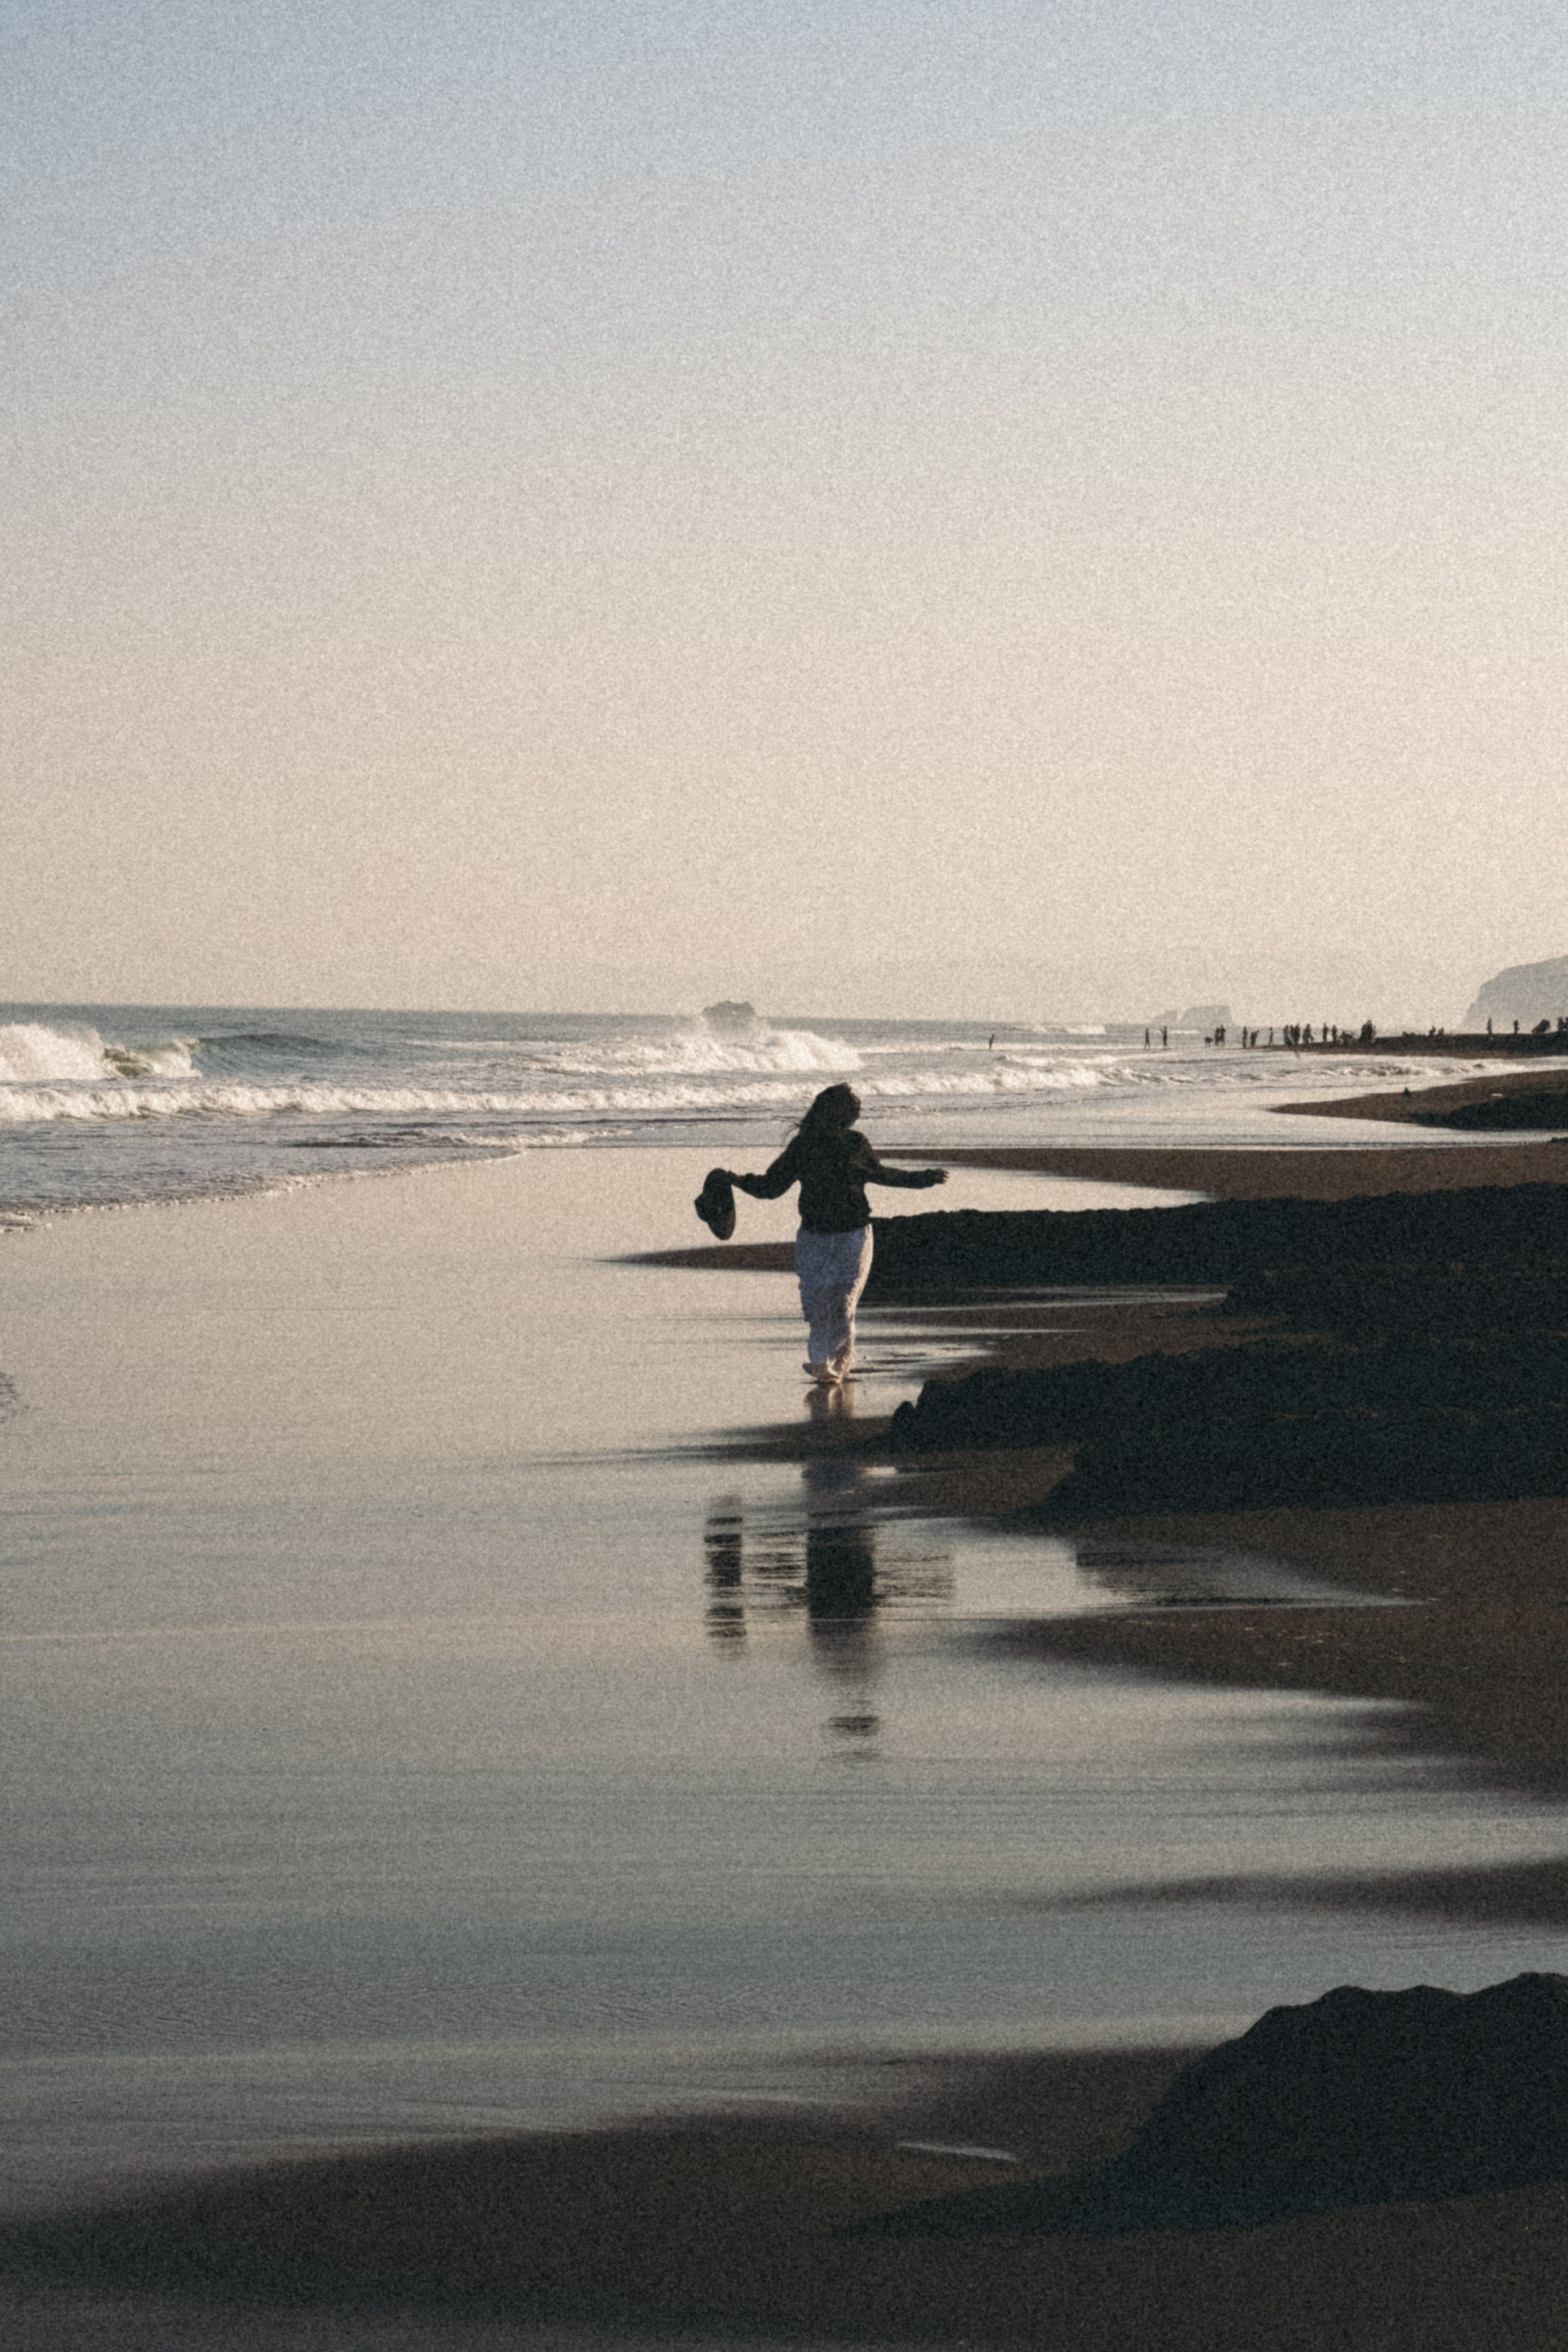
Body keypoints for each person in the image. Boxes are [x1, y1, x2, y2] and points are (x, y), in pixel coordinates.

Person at [720, 1084, 948, 1385]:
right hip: (813, 1237)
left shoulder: (856, 1144)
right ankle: (822, 1363)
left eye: (846, 1121)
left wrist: (924, 1179)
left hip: (854, 1235)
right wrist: (736, 1180)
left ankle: (833, 1368)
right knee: (817, 1303)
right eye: (836, 1118)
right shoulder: (803, 1147)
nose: (840, 1126)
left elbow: (882, 1175)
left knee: (842, 1302)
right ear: (821, 1113)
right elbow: (771, 1187)